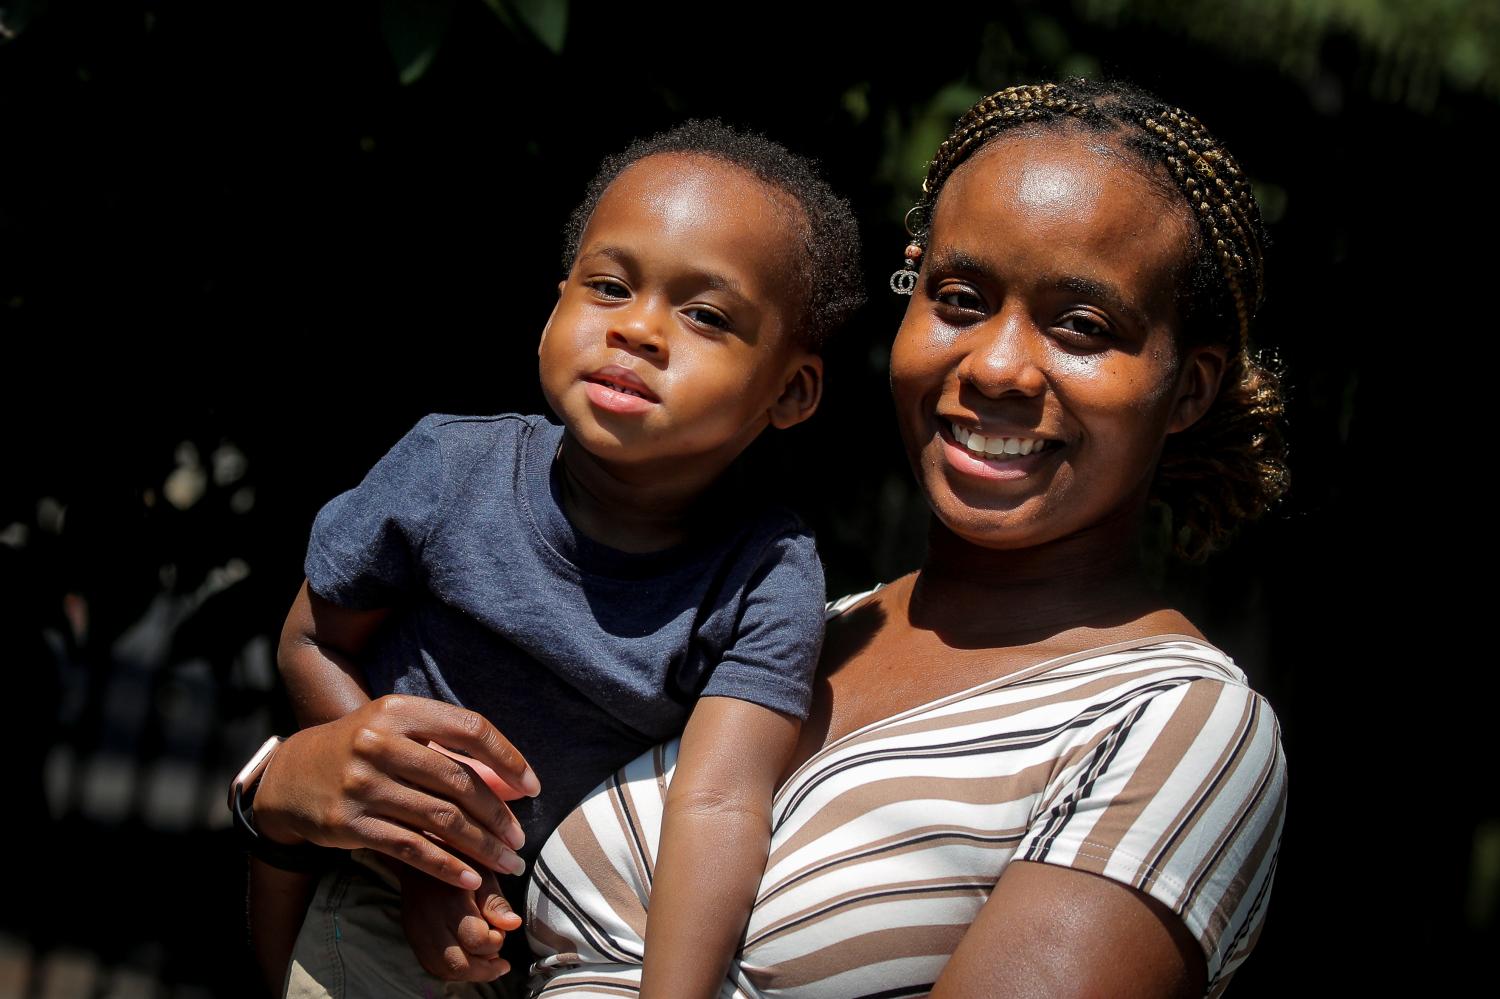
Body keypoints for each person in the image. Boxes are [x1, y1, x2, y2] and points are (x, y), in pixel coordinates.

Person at [248, 77, 1289, 997]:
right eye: (961, 300)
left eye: (1083, 326)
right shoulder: (794, 626)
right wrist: (285, 805)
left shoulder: (1174, 725)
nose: (1000, 367)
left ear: (1186, 387)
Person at [243, 120, 865, 998]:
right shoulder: (448, 471)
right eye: (609, 287)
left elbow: (719, 803)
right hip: (385, 888)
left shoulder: (767, 575)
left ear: (792, 390)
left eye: (706, 314)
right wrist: (425, 862)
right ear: (553, 311)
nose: (640, 329)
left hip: (593, 940)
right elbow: (311, 642)